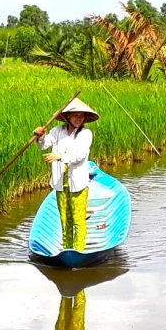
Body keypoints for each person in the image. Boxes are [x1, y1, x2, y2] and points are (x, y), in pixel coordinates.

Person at [33, 98, 100, 252]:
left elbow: (80, 155)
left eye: (81, 116)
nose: (79, 118)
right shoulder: (57, 131)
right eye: (75, 115)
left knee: (78, 221)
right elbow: (43, 145)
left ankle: (78, 251)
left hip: (78, 184)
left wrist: (60, 156)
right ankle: (67, 250)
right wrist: (39, 135)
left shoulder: (86, 134)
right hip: (60, 184)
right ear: (67, 117)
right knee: (65, 220)